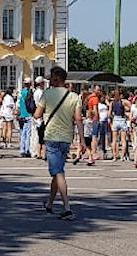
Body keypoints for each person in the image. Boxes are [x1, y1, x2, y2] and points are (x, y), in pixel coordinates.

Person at [35, 65, 82, 221]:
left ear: (56, 79)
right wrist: (81, 141)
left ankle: (67, 207)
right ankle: (49, 203)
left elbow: (37, 114)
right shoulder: (74, 96)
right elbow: (78, 120)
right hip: (66, 138)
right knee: (57, 171)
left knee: (58, 172)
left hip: (52, 137)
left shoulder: (47, 94)